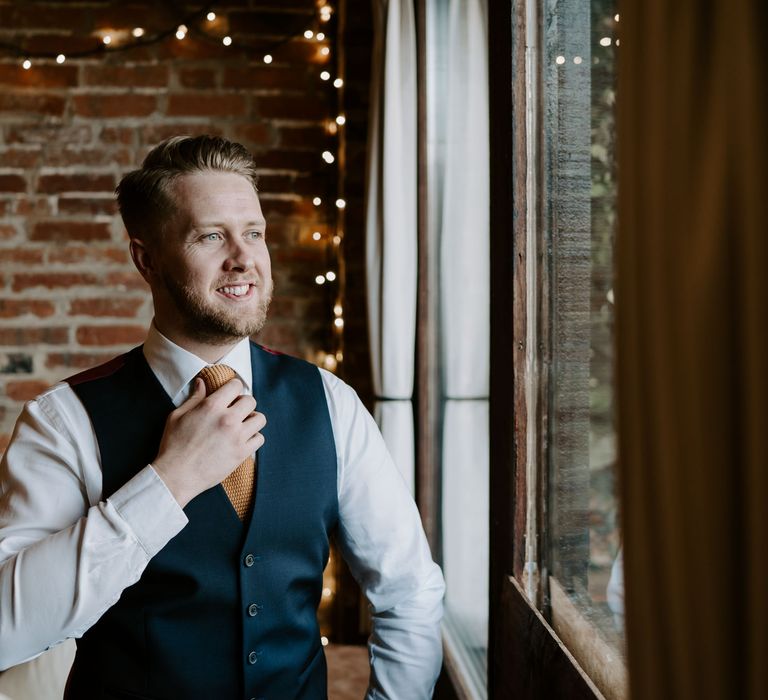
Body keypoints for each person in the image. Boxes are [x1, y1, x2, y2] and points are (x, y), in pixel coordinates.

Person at [0, 135, 445, 699]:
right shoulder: (63, 420)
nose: (244, 257)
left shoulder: (332, 403)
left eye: (253, 233)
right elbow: (7, 630)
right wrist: (169, 481)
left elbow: (409, 592)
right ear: (146, 258)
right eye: (211, 236)